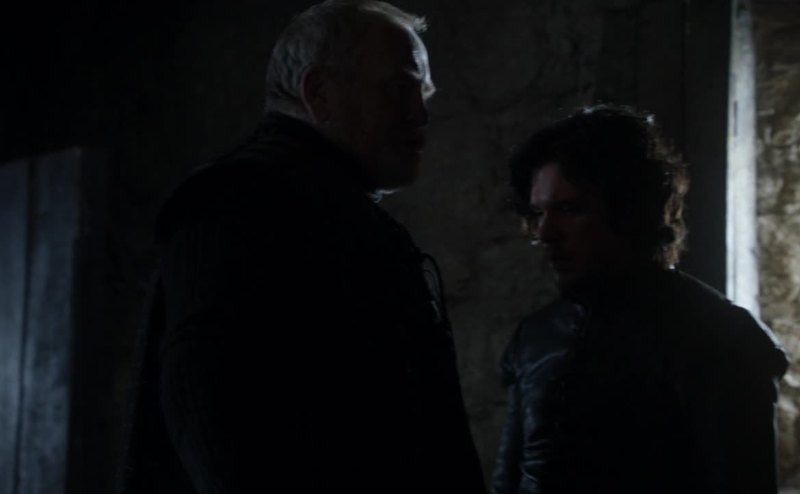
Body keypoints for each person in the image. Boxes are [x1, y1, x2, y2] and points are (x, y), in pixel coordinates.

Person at [117, 1, 485, 492]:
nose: (420, 113)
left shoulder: (320, 209)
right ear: (320, 94)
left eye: (423, 91)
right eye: (399, 87)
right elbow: (210, 412)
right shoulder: (240, 205)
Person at [492, 104, 788, 494]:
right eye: (538, 213)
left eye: (570, 209)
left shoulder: (720, 338)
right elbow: (510, 480)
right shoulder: (536, 337)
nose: (546, 233)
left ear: (630, 210)